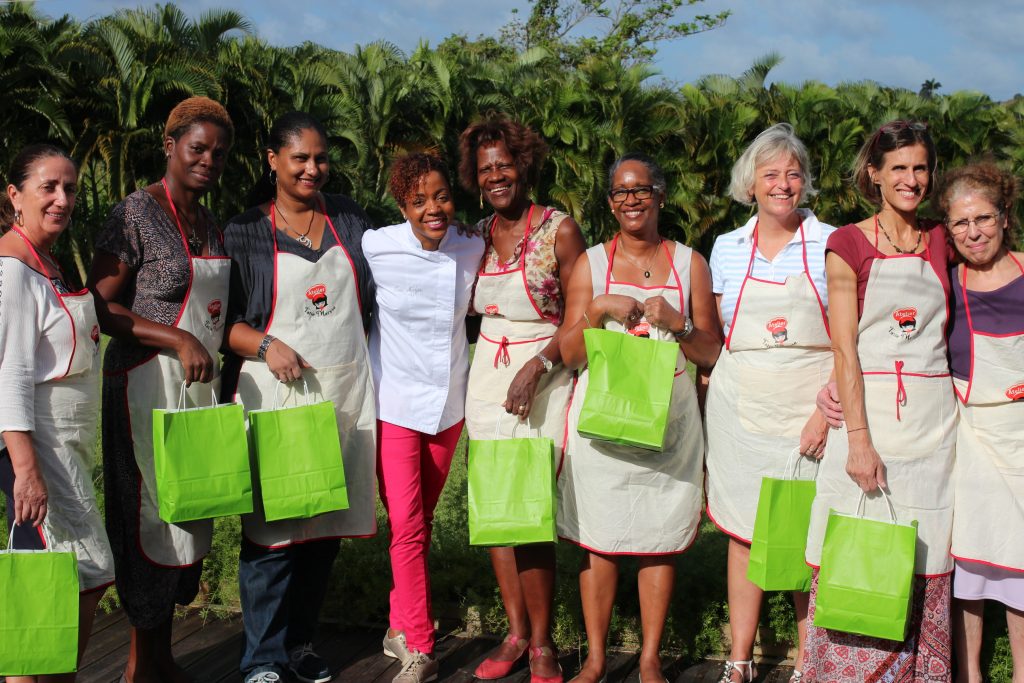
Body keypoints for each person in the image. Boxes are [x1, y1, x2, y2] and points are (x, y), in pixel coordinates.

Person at [220, 111, 378, 683]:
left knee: (322, 533)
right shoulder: (241, 231)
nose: (314, 169)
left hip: (342, 396)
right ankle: (261, 657)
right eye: (301, 158)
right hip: (277, 397)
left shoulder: (351, 221)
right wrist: (265, 344)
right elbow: (223, 323)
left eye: (321, 158)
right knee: (274, 535)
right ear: (272, 161)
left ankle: (300, 645)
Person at [557, 153, 722, 683]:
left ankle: (650, 657)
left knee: (659, 536)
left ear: (660, 195)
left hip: (668, 425)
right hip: (602, 424)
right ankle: (598, 658)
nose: (632, 200)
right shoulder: (591, 264)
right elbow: (568, 352)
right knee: (599, 539)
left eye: (642, 189)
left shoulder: (690, 262)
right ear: (610, 202)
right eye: (621, 192)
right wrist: (597, 311)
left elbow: (712, 353)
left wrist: (678, 324)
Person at [88, 97, 234, 683]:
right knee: (146, 517)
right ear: (170, 145)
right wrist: (175, 339)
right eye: (197, 148)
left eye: (218, 153)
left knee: (188, 514)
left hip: (195, 392)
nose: (207, 160)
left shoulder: (209, 222)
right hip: (142, 388)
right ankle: (135, 667)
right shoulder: (135, 213)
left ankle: (161, 659)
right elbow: (101, 304)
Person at [803, 120, 954, 680]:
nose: (912, 179)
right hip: (870, 428)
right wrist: (858, 441)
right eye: (899, 169)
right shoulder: (846, 244)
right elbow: (844, 348)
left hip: (936, 432)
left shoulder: (943, 239)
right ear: (874, 174)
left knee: (926, 554)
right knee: (860, 550)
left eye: (920, 168)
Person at [704, 123, 835, 683]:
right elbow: (716, 336)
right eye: (770, 174)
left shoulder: (833, 241)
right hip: (741, 409)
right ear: (749, 184)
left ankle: (810, 661)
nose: (783, 184)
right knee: (744, 532)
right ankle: (740, 658)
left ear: (804, 182)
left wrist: (826, 411)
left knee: (808, 536)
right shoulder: (727, 248)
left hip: (810, 406)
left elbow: (849, 339)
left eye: (792, 174)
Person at [457, 116, 586, 683]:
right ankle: (513, 632)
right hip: (487, 378)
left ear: (524, 165)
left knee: (530, 513)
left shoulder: (559, 230)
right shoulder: (475, 235)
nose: (495, 176)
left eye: (504, 165)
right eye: (485, 169)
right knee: (496, 512)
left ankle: (542, 643)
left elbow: (580, 321)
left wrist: (538, 366)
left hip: (540, 377)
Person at [363, 153, 484, 683]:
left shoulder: (472, 247)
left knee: (418, 523)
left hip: (448, 405)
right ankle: (420, 645)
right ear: (402, 206)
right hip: (394, 404)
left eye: (440, 196)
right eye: (419, 201)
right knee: (407, 525)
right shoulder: (376, 245)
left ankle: (397, 623)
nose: (432, 209)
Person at [0, 144, 115, 680]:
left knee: (66, 572)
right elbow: (10, 374)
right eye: (48, 187)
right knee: (67, 575)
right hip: (39, 452)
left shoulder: (47, 261)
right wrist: (26, 471)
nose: (62, 198)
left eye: (69, 188)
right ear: (15, 196)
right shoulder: (13, 270)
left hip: (67, 452)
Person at [936, 162, 1024, 683]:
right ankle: (966, 674)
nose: (973, 233)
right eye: (961, 224)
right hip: (970, 444)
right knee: (969, 570)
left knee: (1022, 569)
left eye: (983, 219)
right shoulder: (946, 286)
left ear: (1005, 217)